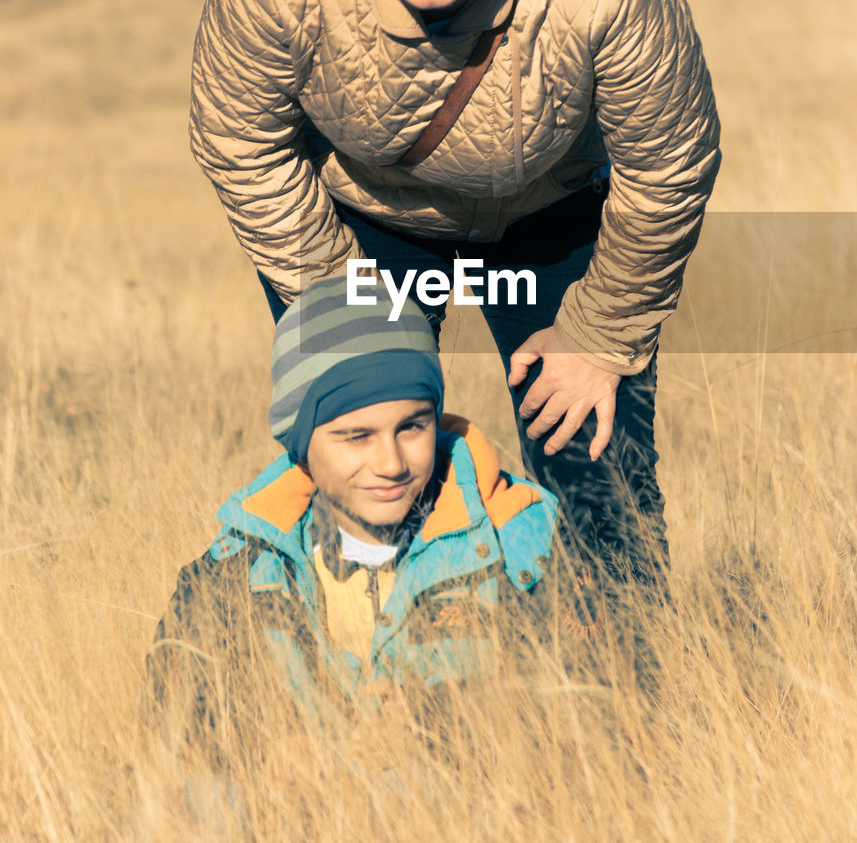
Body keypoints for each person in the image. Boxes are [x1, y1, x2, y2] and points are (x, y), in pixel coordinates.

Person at [189, 0, 720, 591]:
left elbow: (669, 162)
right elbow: (240, 137)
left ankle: (624, 705)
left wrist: (600, 333)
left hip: (552, 227)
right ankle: (361, 688)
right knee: (371, 474)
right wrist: (338, 303)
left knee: (597, 479)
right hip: (363, 231)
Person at [146, 279, 601, 760]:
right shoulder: (241, 563)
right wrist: (268, 757)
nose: (391, 463)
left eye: (412, 427)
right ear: (300, 443)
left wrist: (438, 725)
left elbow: (593, 704)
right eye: (356, 436)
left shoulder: (521, 539)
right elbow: (169, 715)